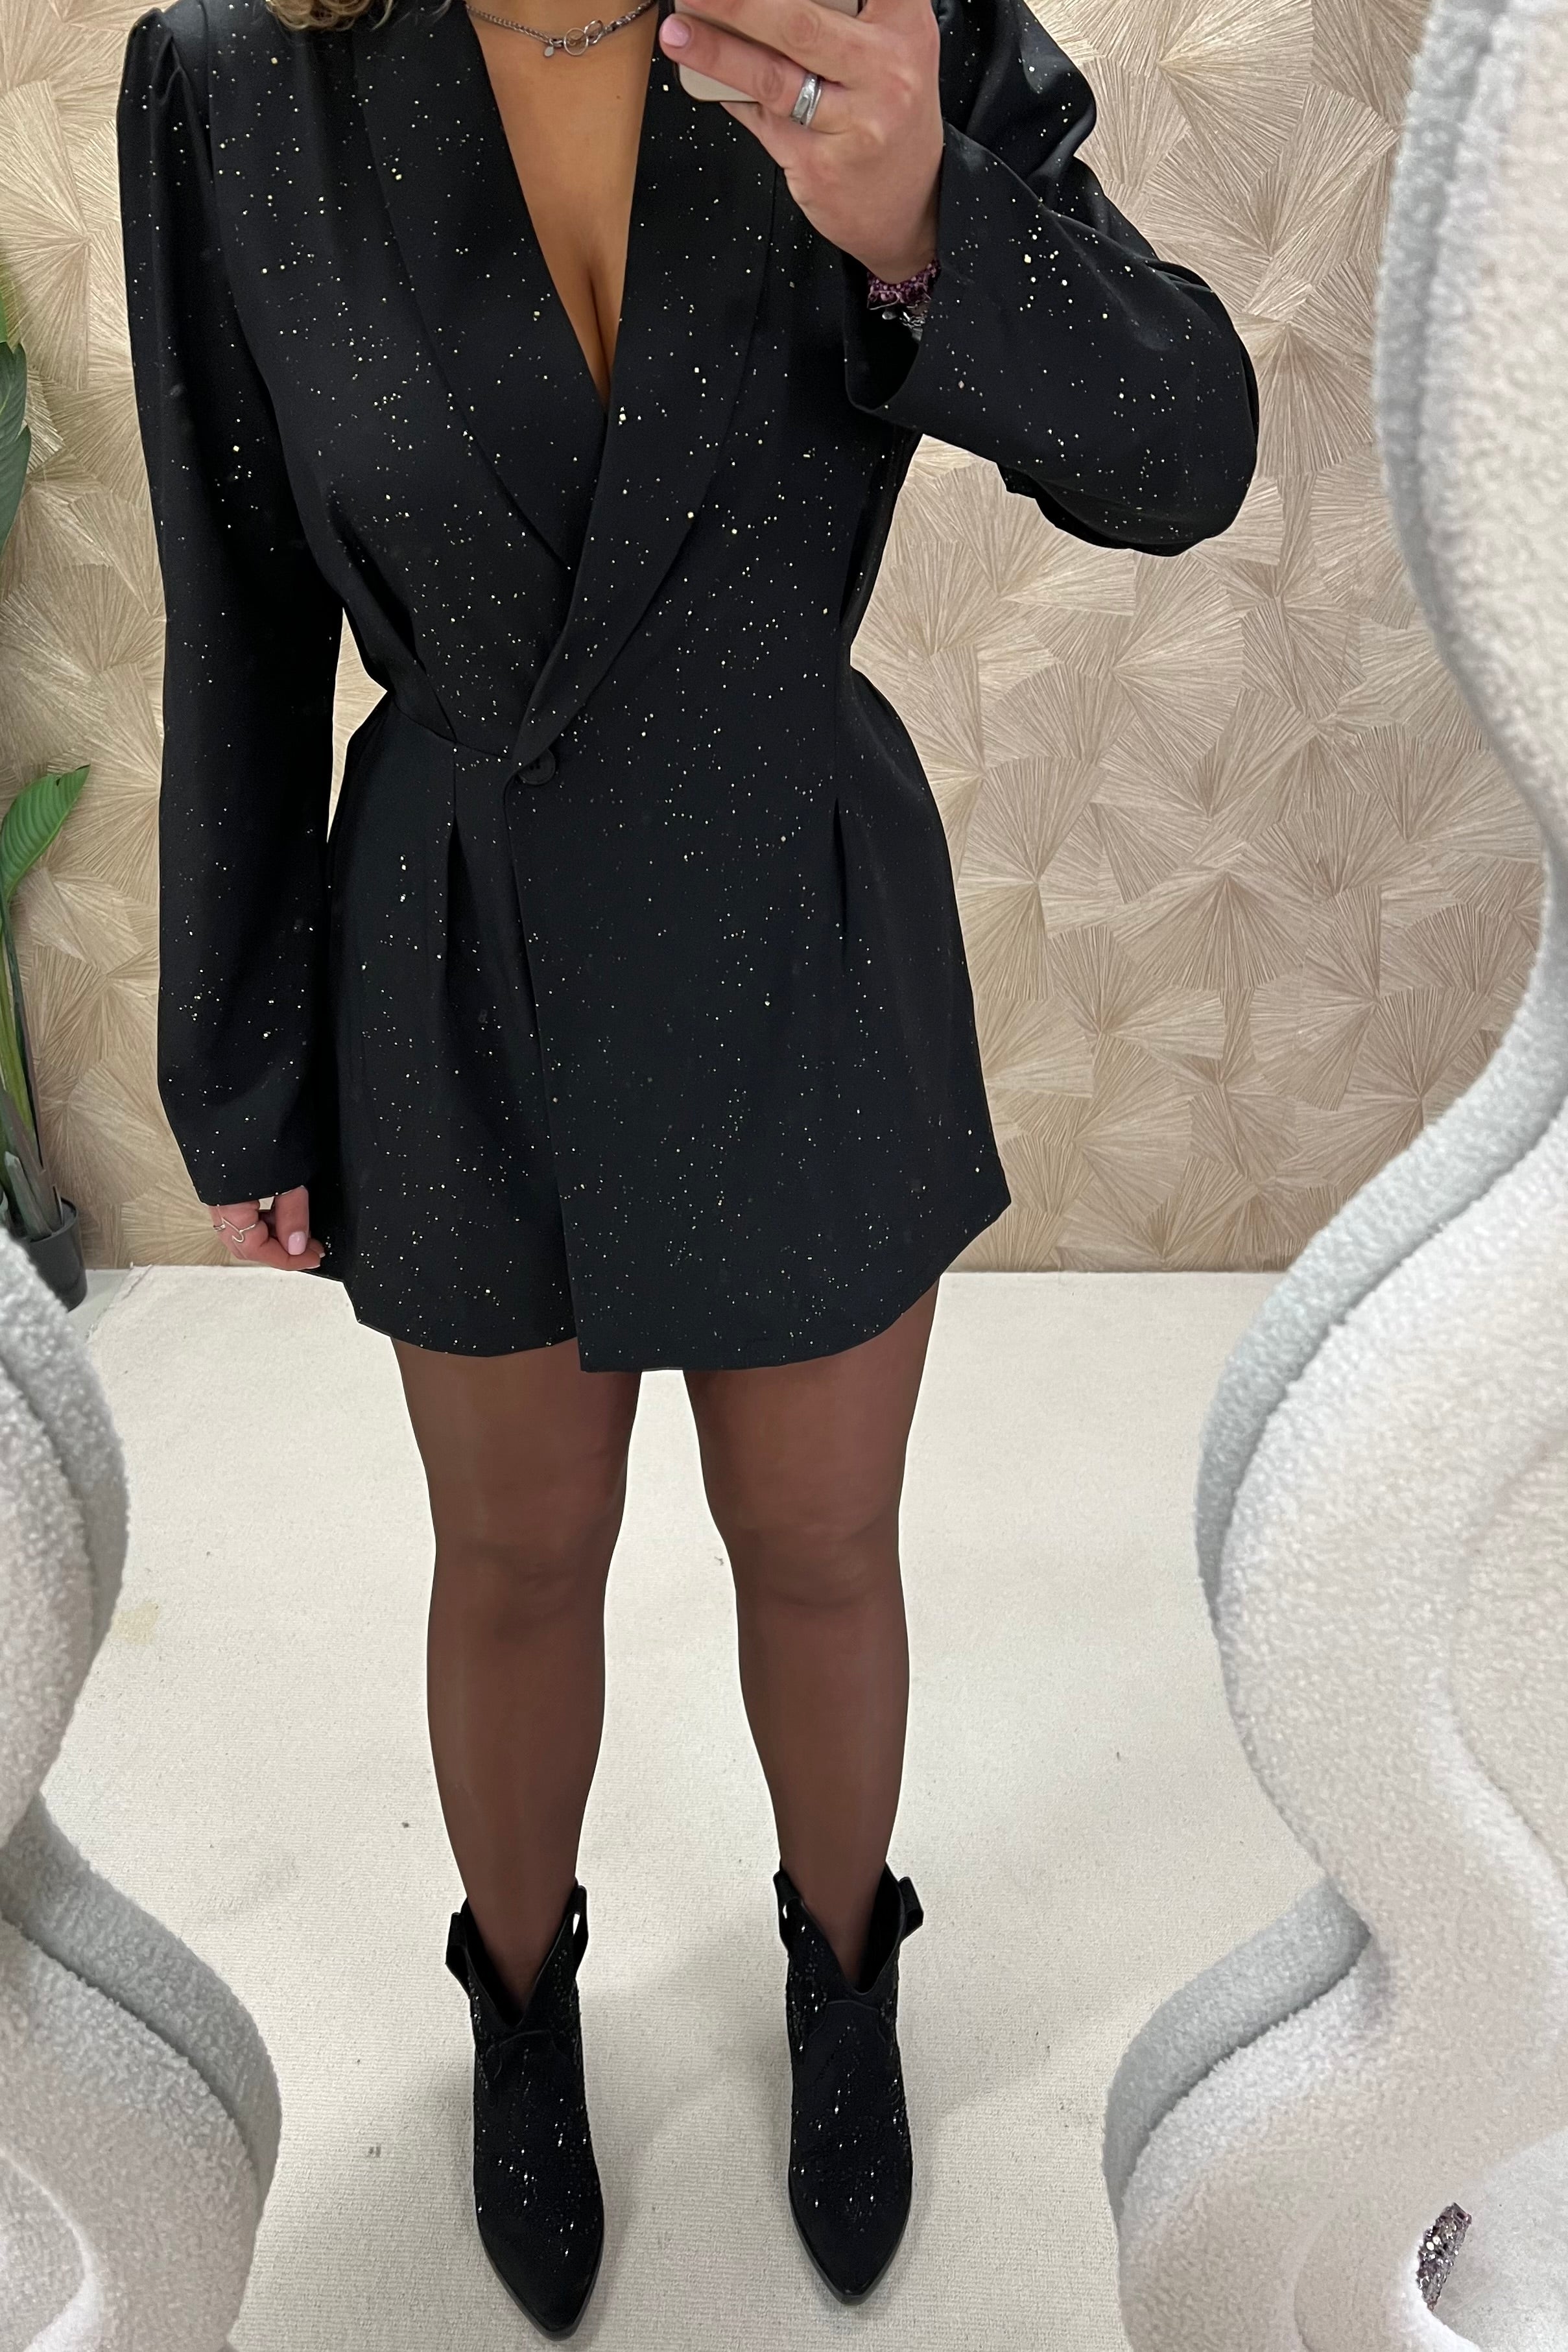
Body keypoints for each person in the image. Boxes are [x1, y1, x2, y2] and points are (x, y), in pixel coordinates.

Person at [115, 0, 1259, 2327]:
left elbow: (1184, 451)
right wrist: (240, 1059)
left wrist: (928, 219)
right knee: (514, 1554)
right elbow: (234, 599)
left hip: (789, 907)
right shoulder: (237, 78)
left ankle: (844, 1976)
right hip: (458, 941)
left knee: (821, 1541)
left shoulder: (878, 26)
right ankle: (519, 2008)